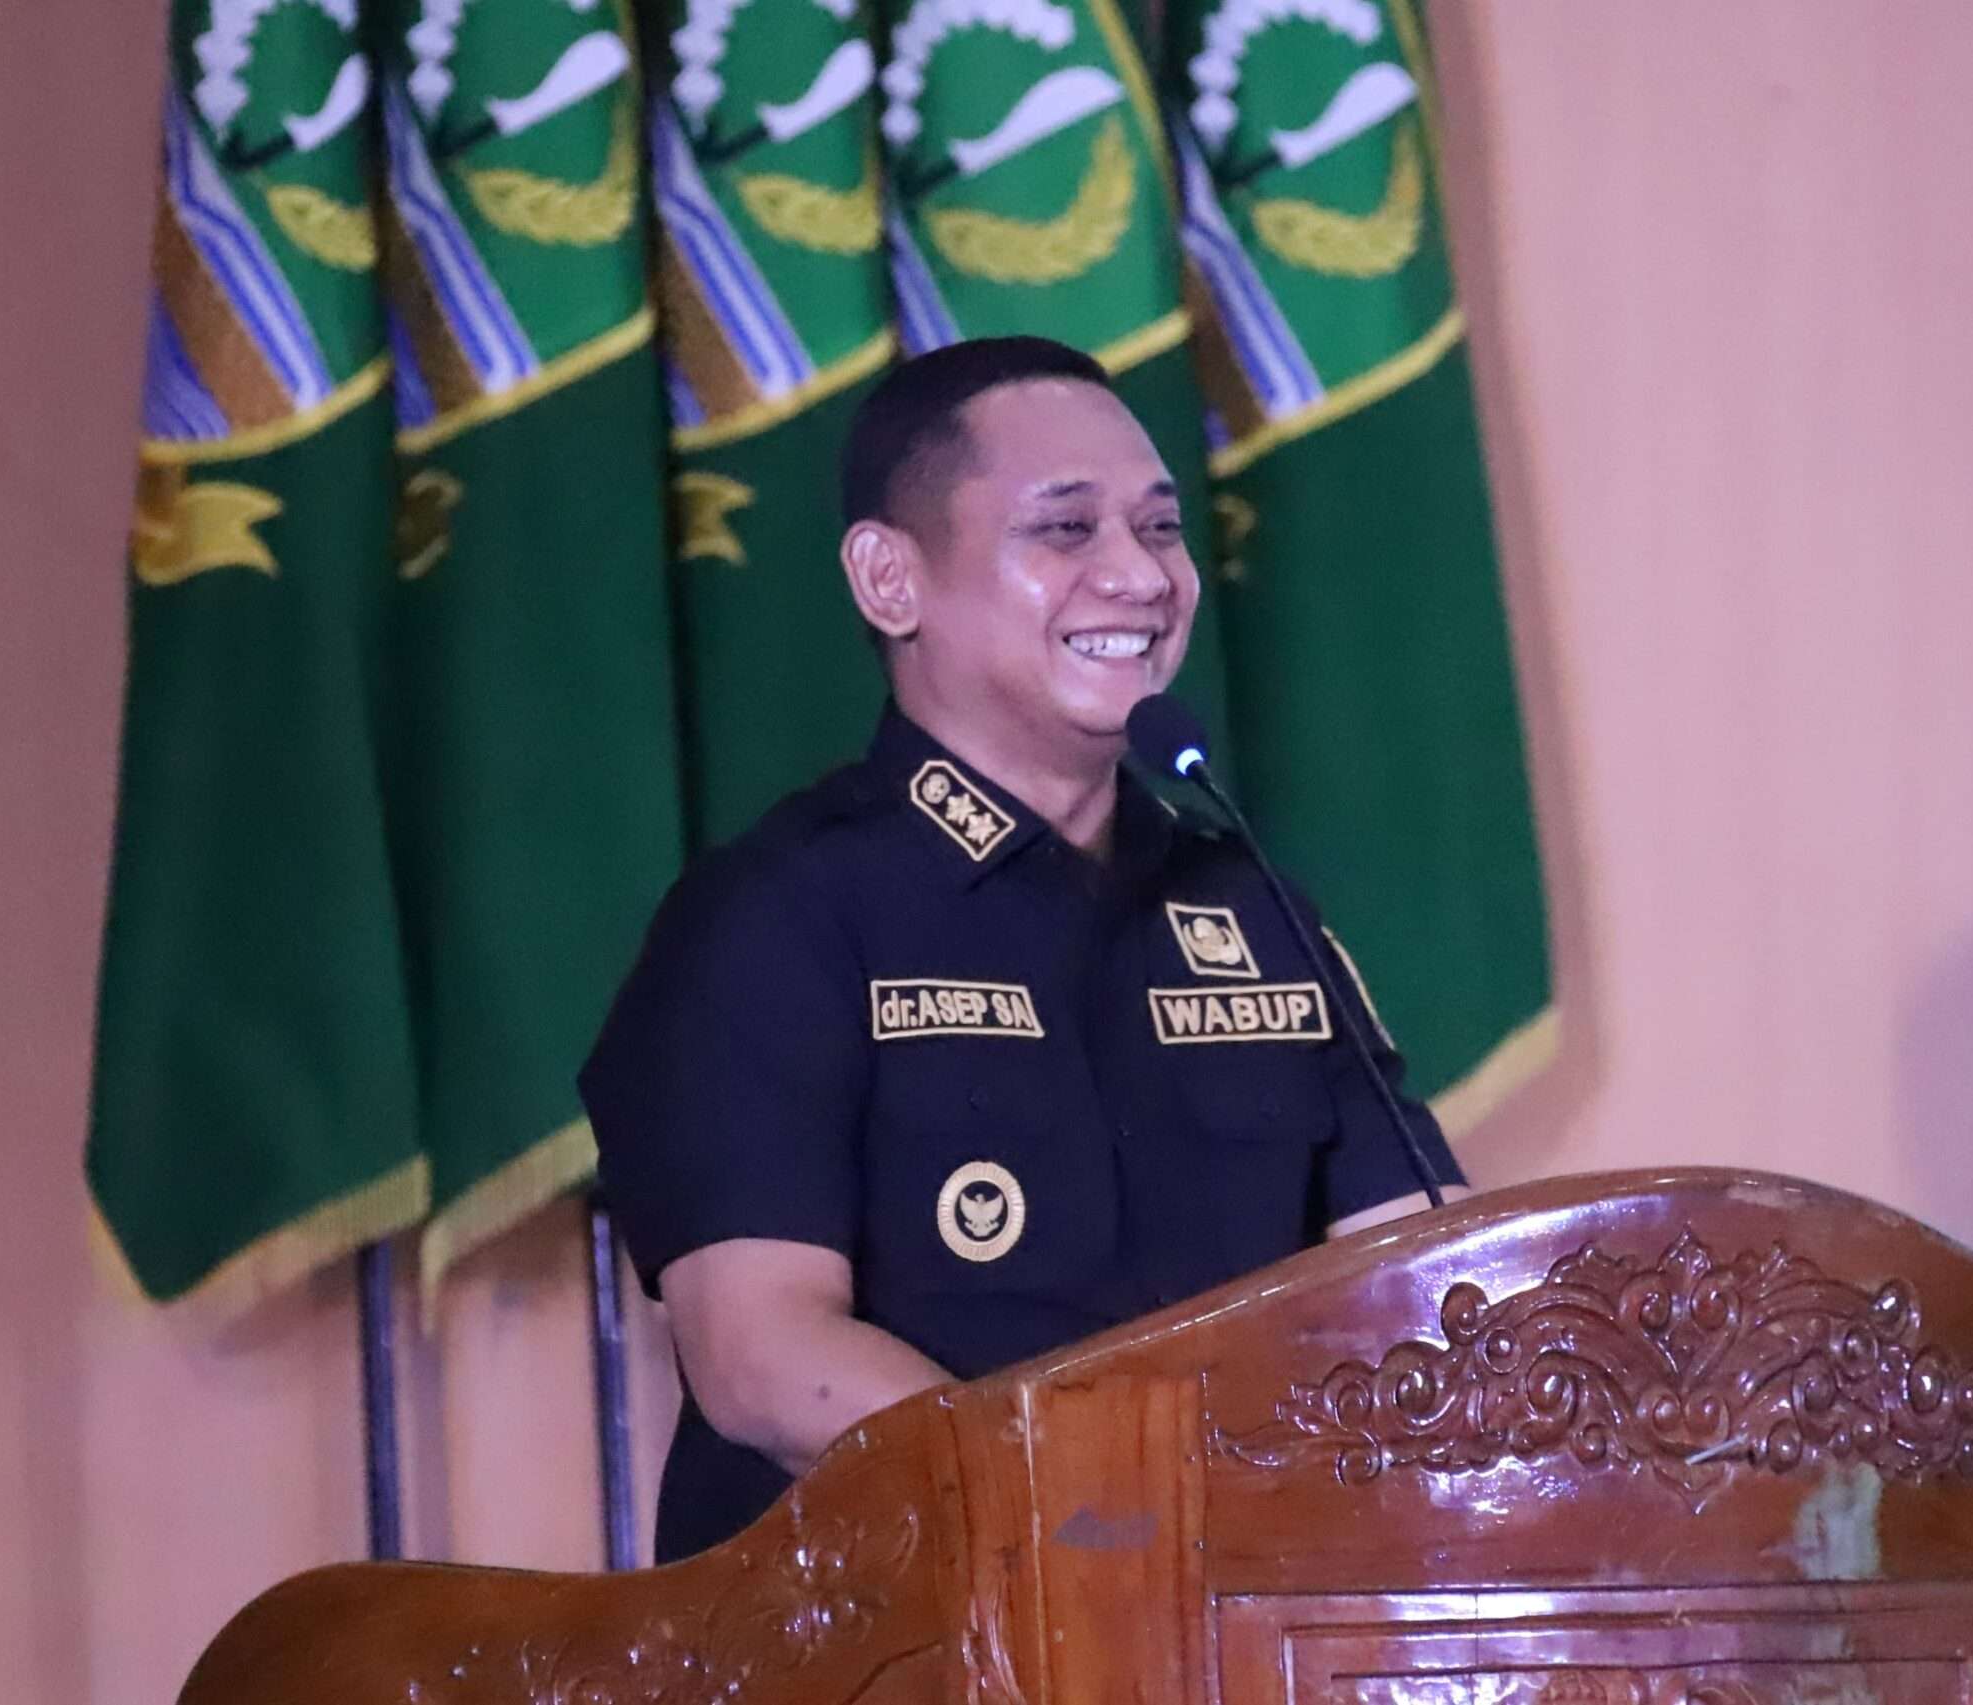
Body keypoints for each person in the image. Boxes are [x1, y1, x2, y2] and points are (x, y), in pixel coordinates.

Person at [579, 336, 1463, 1564]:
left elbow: (1430, 1288)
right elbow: (764, 1363)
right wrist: (1107, 1530)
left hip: (1239, 1620)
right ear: (891, 580)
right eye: (1065, 529)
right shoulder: (779, 914)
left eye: (1159, 529)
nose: (1139, 576)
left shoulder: (1253, 909)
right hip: (896, 1629)